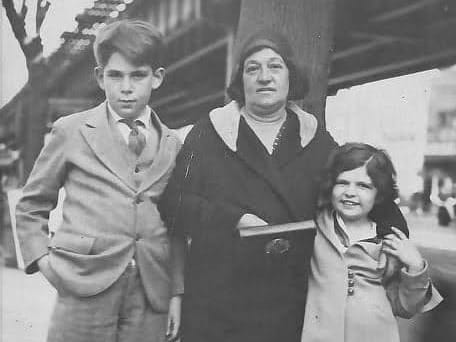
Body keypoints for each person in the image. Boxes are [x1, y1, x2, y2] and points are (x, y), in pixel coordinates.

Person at [158, 29, 408, 342]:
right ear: (241, 81)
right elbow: (173, 204)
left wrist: (393, 240)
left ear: (290, 77)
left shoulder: (315, 138)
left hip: (290, 303)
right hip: (217, 300)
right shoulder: (208, 132)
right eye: (253, 68)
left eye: (275, 67)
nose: (265, 77)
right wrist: (233, 218)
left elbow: (367, 193)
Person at [15, 20, 183, 342]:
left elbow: (176, 225)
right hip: (84, 285)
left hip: (150, 293)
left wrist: (176, 292)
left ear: (157, 78)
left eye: (138, 75)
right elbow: (31, 204)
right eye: (115, 75)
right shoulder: (71, 131)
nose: (126, 87)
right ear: (99, 77)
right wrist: (45, 262)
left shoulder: (172, 144)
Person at [301, 143, 443, 342]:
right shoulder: (315, 227)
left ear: (380, 194)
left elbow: (407, 307)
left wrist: (415, 266)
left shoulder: (390, 244)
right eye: (342, 182)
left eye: (363, 185)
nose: (350, 192)